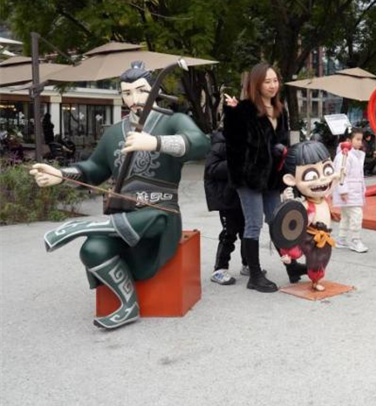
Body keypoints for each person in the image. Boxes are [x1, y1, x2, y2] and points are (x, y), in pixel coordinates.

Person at [30, 62, 210, 329]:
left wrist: (156, 142)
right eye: (126, 93)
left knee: (153, 218)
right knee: (93, 249)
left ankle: (81, 225)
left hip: (161, 214)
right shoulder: (115, 132)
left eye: (140, 91)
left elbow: (200, 143)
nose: (133, 99)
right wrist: (61, 174)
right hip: (122, 214)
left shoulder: (173, 120)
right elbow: (94, 169)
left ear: (154, 91)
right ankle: (128, 305)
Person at [223, 62, 304, 293]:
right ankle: (255, 275)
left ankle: (292, 266)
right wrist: (230, 113)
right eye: (267, 81)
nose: (272, 85)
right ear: (256, 84)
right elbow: (232, 141)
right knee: (254, 223)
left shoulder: (281, 109)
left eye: (275, 81)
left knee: (277, 220)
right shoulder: (245, 108)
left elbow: (283, 142)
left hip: (271, 177)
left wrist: (281, 154)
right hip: (248, 178)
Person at [281, 141, 339, 292]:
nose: (322, 179)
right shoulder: (307, 205)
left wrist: (337, 175)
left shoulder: (324, 198)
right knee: (314, 260)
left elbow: (334, 182)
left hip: (324, 237)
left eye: (326, 170)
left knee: (323, 259)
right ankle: (314, 278)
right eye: (312, 175)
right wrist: (287, 201)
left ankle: (316, 277)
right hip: (310, 237)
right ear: (291, 179)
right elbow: (291, 225)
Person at [204, 126, 247, 285]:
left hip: (242, 195)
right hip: (227, 197)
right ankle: (219, 268)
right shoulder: (221, 144)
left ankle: (247, 263)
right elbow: (211, 169)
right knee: (229, 232)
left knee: (247, 230)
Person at [332, 127, 368, 253]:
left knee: (346, 216)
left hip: (353, 191)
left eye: (361, 140)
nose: (360, 142)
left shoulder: (353, 155)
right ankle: (355, 240)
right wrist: (343, 191)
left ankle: (341, 239)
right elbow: (341, 173)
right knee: (356, 215)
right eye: (357, 139)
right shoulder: (345, 155)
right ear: (349, 140)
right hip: (349, 192)